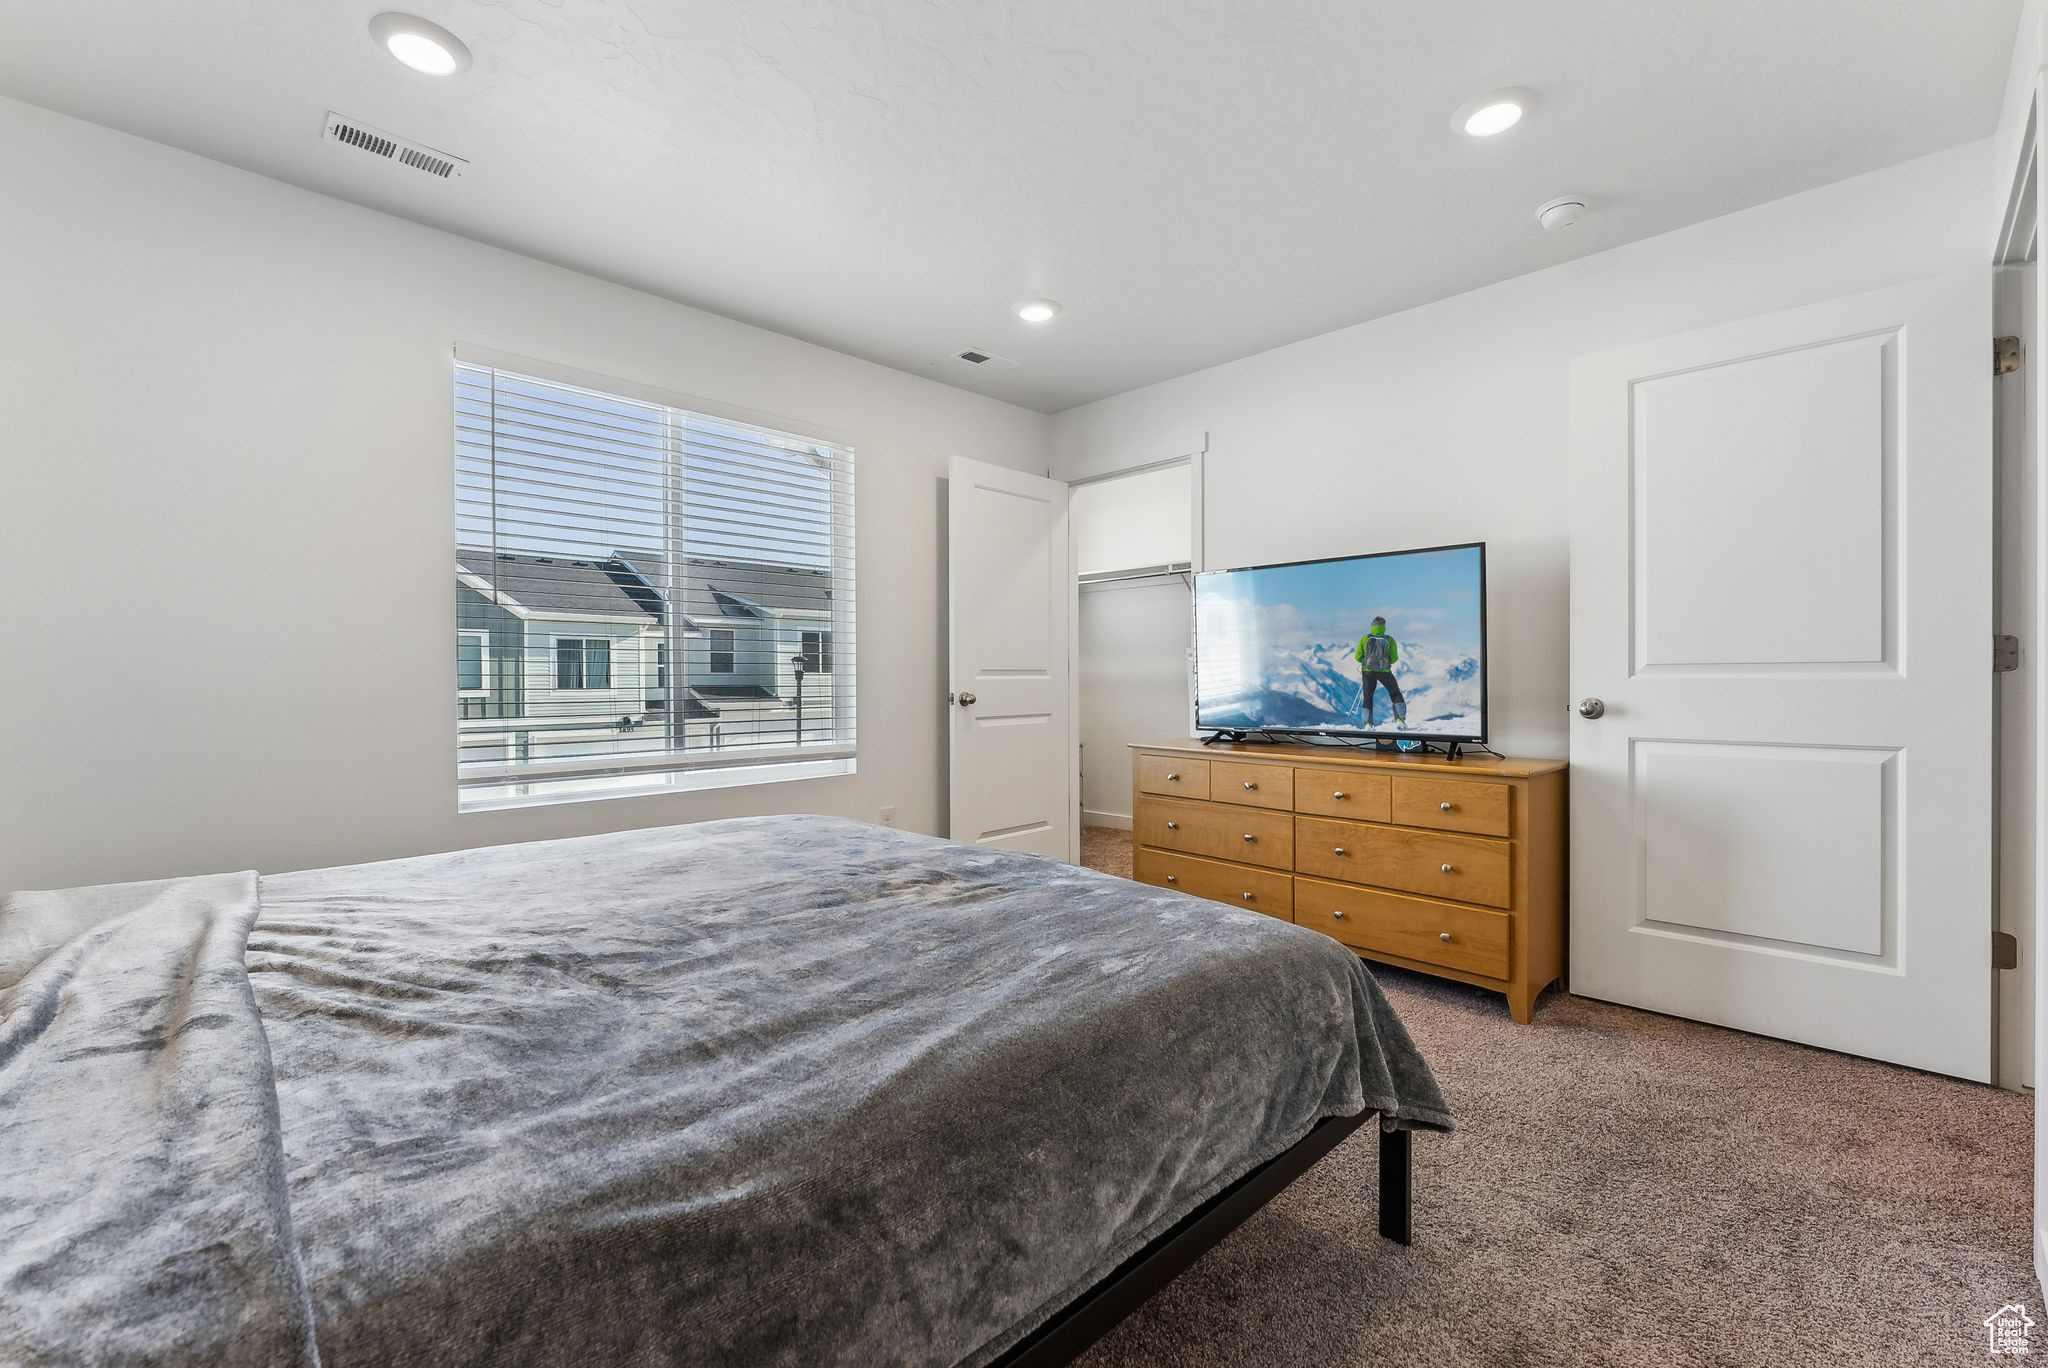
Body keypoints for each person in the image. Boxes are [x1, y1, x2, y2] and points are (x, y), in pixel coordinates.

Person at [1355, 616, 1406, 727]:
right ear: (1384, 627)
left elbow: (1357, 657)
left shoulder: (1365, 639)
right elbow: (1394, 658)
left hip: (1368, 671)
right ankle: (1400, 720)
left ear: (1372, 626)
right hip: (1384, 671)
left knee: (1368, 696)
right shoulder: (1390, 640)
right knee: (1395, 693)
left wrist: (1367, 661)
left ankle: (1367, 723)